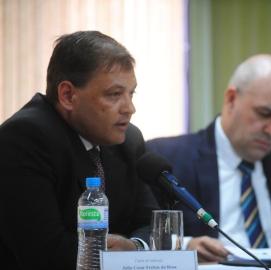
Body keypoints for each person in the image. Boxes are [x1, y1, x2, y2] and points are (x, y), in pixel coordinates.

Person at [146, 54, 271, 262]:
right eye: (264, 113)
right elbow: (135, 231)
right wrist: (183, 245)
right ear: (231, 99)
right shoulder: (166, 158)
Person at [0, 31, 159, 269]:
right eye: (114, 94)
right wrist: (113, 258)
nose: (129, 108)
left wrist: (135, 246)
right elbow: (44, 251)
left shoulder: (129, 140)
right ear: (68, 95)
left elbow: (151, 224)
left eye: (131, 93)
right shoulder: (24, 138)